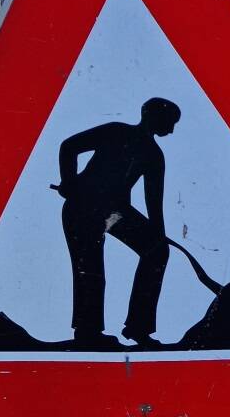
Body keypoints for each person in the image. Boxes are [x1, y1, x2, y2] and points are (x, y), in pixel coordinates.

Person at [54, 97, 180, 348]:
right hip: (83, 208)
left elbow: (154, 200)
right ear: (150, 115)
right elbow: (69, 146)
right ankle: (87, 331)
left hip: (113, 213)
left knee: (156, 251)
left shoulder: (154, 155)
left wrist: (159, 235)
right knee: (89, 267)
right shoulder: (115, 131)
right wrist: (68, 182)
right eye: (169, 121)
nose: (172, 129)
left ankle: (139, 328)